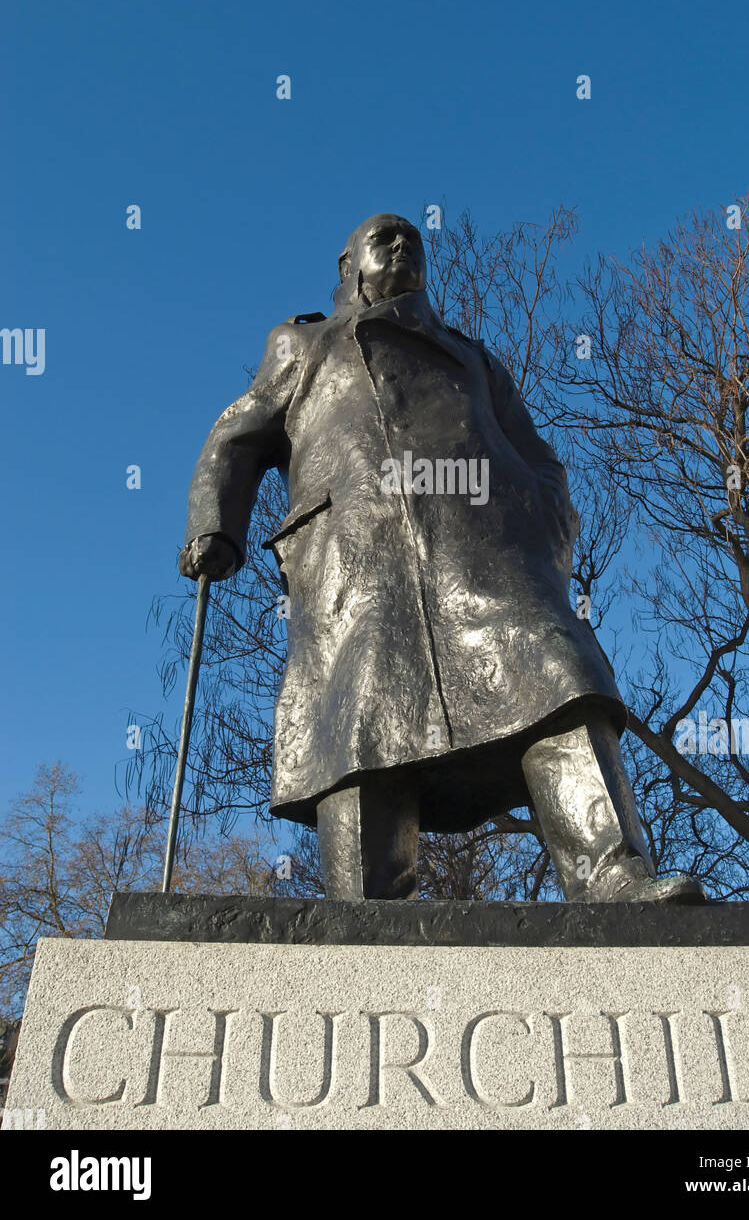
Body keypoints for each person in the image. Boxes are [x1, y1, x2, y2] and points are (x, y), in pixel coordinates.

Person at [180, 213, 704, 905]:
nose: (401, 248)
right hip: (359, 557)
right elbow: (236, 437)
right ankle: (366, 907)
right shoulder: (303, 344)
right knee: (361, 719)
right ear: (349, 266)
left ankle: (611, 874)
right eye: (384, 240)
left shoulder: (474, 358)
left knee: (558, 675)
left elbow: (540, 457)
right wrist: (217, 527)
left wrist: (541, 522)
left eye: (412, 241)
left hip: (485, 554)